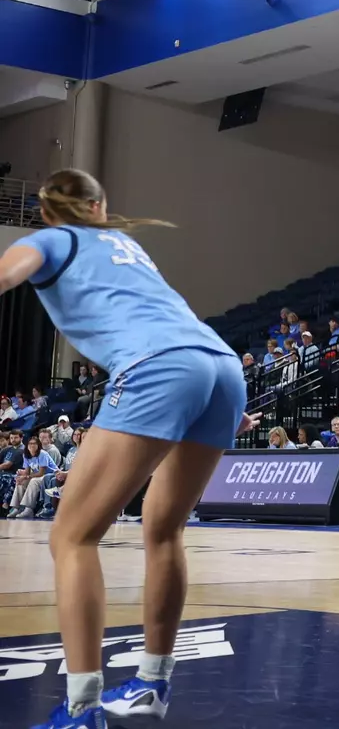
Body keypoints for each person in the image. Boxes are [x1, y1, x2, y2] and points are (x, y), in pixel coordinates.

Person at [0, 169, 258, 728]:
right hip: (220, 367)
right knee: (163, 530)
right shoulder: (127, 245)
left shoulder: (45, 239)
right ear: (100, 207)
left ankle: (82, 710)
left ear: (46, 213)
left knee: (72, 536)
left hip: (158, 367)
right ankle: (152, 685)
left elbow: (7, 274)